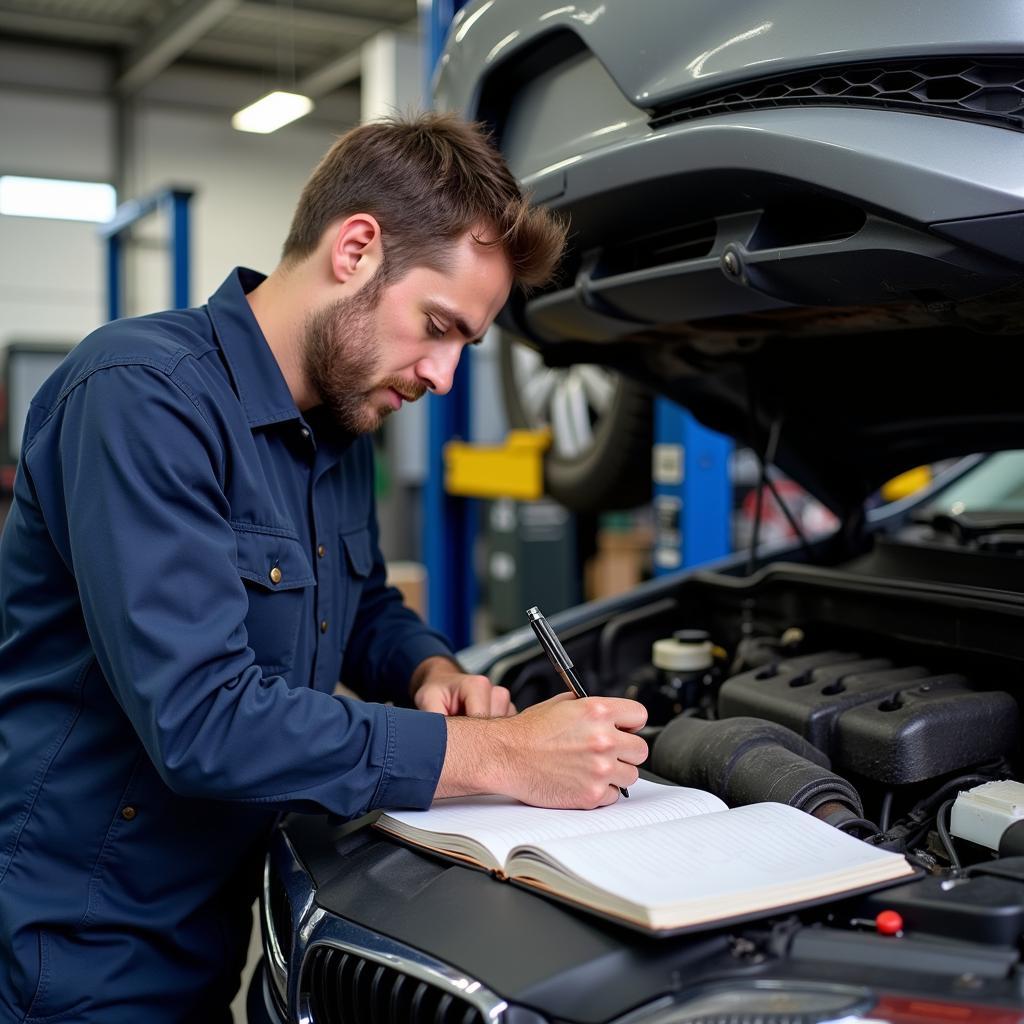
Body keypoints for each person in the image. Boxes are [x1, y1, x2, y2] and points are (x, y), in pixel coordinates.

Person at [0, 112, 648, 1023]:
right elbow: (202, 720)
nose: (445, 376)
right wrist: (498, 756)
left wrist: (427, 667)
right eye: (437, 325)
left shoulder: (340, 423)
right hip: (76, 953)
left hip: (217, 928)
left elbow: (363, 601)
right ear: (354, 249)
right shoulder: (141, 398)